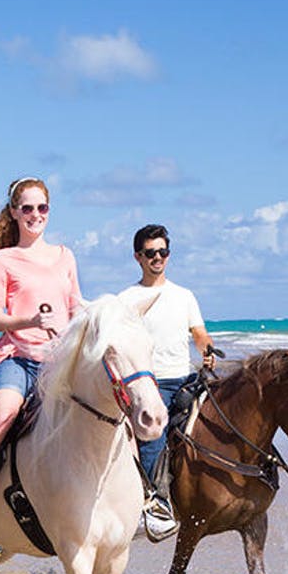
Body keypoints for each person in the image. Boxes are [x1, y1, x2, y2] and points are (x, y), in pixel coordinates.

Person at [0, 177, 84, 533]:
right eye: (27, 208)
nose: (35, 214)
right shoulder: (2, 260)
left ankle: (139, 496)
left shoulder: (65, 256)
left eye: (42, 208)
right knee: (5, 414)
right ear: (14, 212)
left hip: (58, 362)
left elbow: (75, 307)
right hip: (16, 359)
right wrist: (31, 319)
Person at [116, 223, 215, 541]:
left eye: (163, 252)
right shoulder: (128, 298)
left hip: (184, 378)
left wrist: (207, 350)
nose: (157, 258)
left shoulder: (184, 295)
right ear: (138, 257)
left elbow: (198, 333)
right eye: (150, 253)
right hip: (149, 384)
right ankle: (155, 504)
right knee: (154, 437)